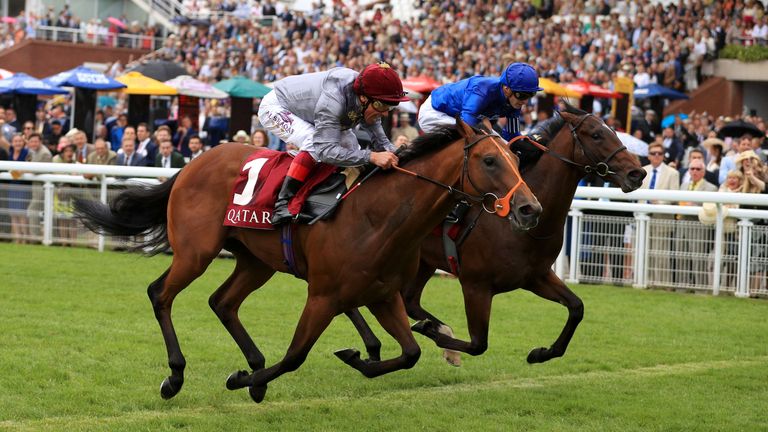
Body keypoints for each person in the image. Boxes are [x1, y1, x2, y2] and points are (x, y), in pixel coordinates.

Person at [258, 62, 409, 225]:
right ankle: (282, 204)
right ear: (364, 98)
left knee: (353, 148)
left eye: (391, 106)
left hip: (311, 111)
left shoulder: (366, 96)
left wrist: (396, 153)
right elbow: (326, 150)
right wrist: (371, 156)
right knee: (313, 143)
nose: (386, 113)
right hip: (277, 106)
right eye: (381, 105)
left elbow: (381, 141)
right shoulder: (334, 98)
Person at [418, 62, 542, 140]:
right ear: (507, 89)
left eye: (531, 95)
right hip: (435, 112)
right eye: (522, 95)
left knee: (500, 144)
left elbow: (512, 135)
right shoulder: (481, 89)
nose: (525, 101)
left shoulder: (515, 101)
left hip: (458, 117)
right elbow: (466, 128)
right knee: (480, 142)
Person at [641, 141, 680, 286]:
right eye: (653, 153)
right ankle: (646, 282)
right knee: (644, 252)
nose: (657, 156)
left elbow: (674, 197)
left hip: (662, 218)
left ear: (663, 156)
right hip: (643, 218)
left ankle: (663, 285)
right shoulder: (643, 170)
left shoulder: (673, 173)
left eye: (659, 153)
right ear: (648, 156)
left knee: (661, 255)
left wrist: (659, 203)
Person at [8, 134, 30, 243]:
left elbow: (27, 168)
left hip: (22, 187)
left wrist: (15, 174)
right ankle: (17, 238)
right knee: (13, 213)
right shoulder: (10, 152)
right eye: (15, 141)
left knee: (22, 213)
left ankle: (25, 238)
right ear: (12, 143)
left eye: (19, 141)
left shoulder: (26, 153)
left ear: (23, 142)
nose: (17, 143)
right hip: (12, 187)